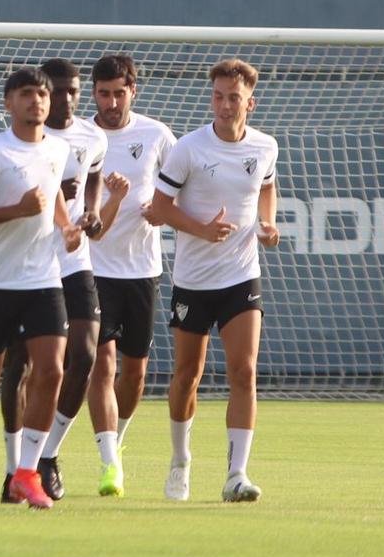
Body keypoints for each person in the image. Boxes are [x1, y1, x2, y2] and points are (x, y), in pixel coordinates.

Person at [0, 66, 85, 510]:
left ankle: (26, 474)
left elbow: (55, 199)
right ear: (9, 102)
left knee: (51, 370)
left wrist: (66, 229)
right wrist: (18, 208)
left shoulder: (60, 148)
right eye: (27, 94)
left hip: (43, 279)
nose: (38, 102)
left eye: (43, 95)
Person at [152, 58, 278, 503]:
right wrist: (202, 229)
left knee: (244, 371)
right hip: (192, 279)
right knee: (188, 375)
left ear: (250, 102)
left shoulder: (264, 147)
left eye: (234, 98)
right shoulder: (188, 148)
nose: (226, 106)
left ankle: (236, 474)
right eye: (219, 97)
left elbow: (266, 187)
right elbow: (157, 207)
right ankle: (180, 460)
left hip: (241, 275)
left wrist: (267, 224)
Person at [9, 56, 107, 502]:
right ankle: (15, 467)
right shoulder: (25, 141)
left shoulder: (92, 137)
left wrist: (92, 210)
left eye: (72, 91)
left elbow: (94, 179)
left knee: (84, 354)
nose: (65, 99)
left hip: (73, 258)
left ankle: (46, 456)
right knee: (20, 367)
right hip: (26, 262)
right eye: (58, 91)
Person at [80, 53, 174, 493]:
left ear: (133, 91)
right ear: (93, 94)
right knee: (103, 363)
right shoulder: (80, 138)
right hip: (91, 269)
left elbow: (180, 188)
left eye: (120, 92)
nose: (112, 101)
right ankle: (108, 462)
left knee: (134, 373)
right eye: (104, 93)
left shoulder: (156, 135)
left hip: (142, 270)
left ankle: (115, 442)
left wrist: (162, 210)